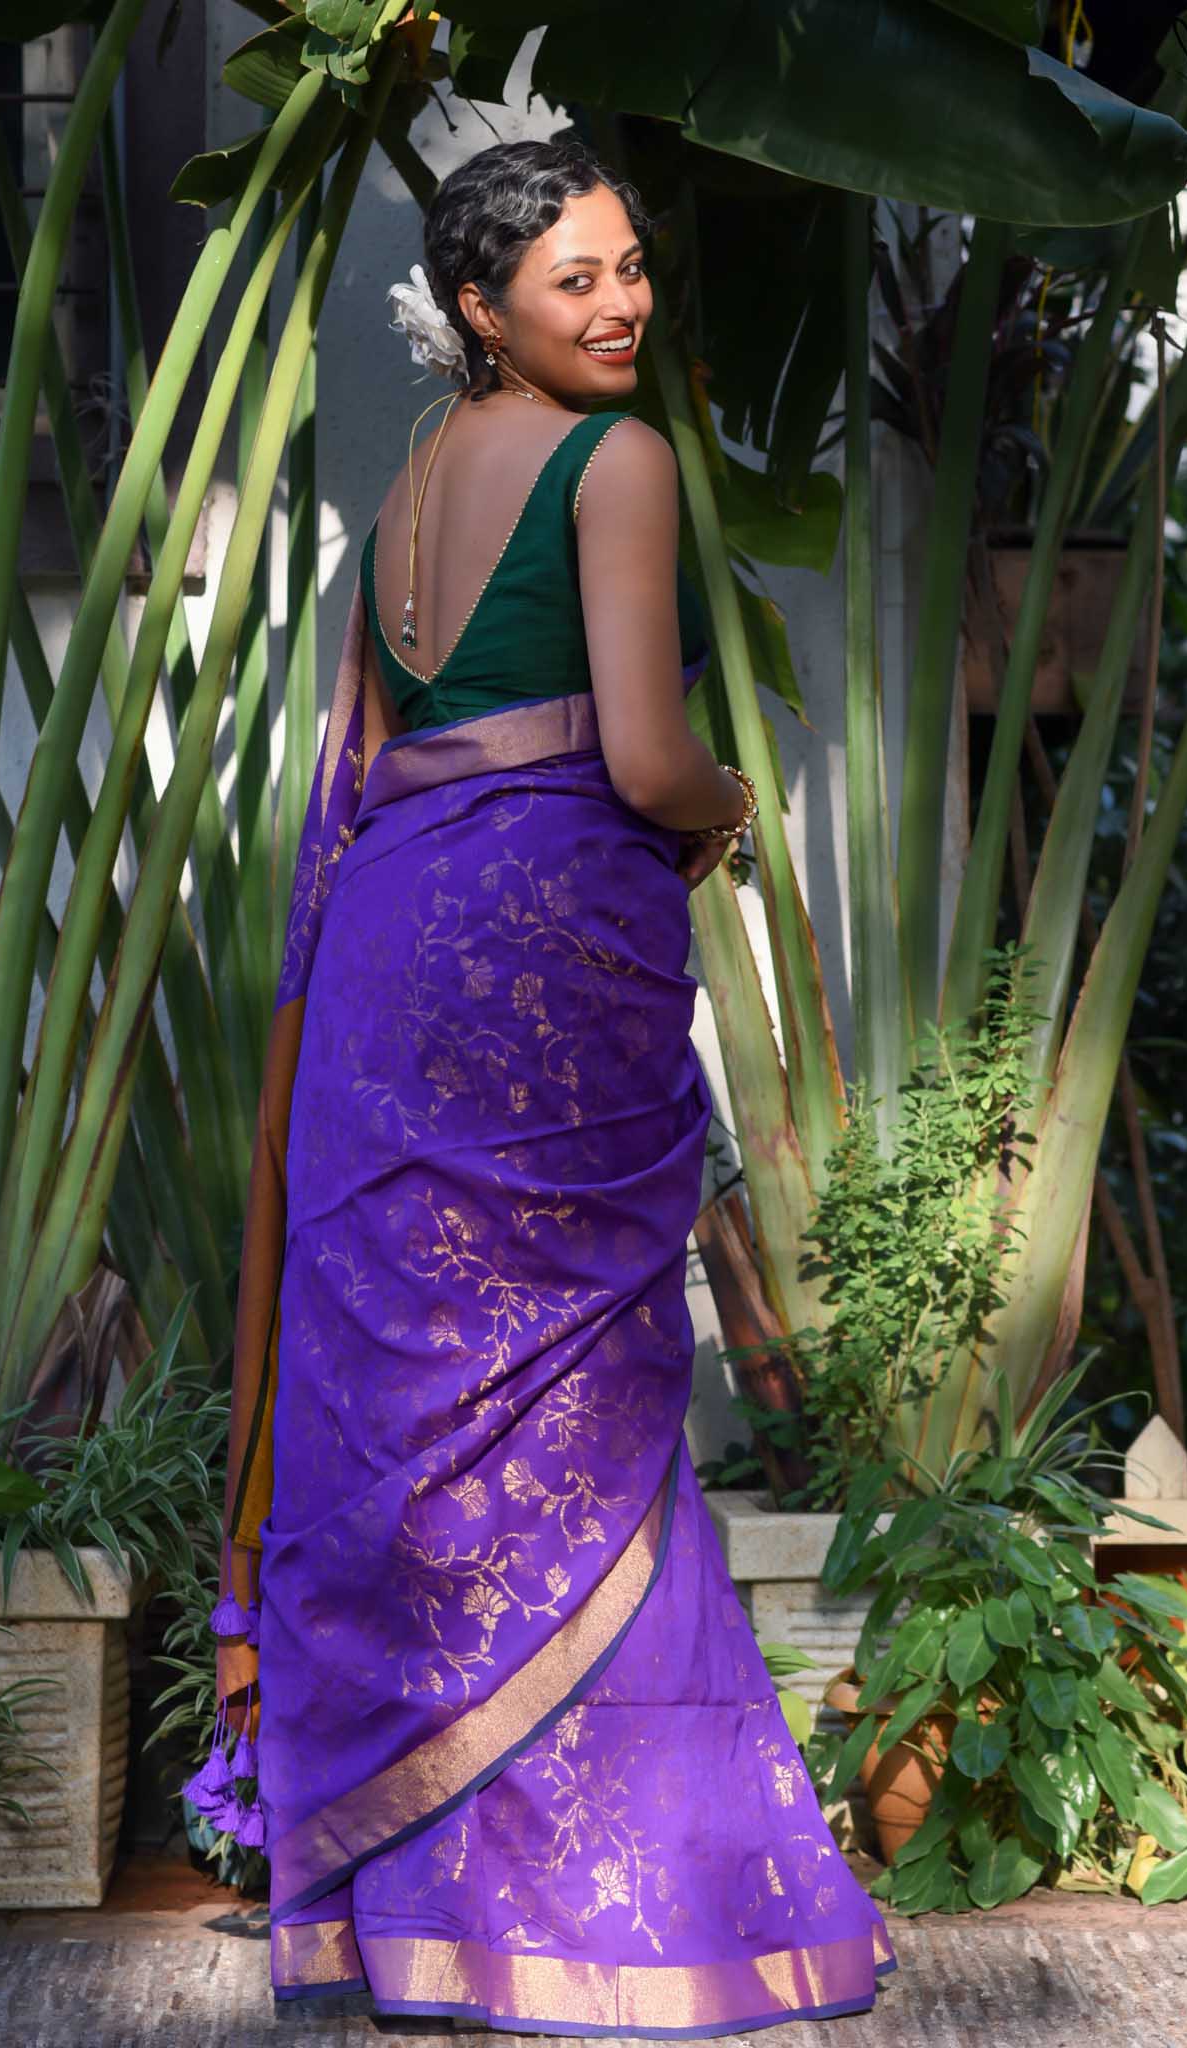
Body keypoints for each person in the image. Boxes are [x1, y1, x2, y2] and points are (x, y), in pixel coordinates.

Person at [188, 135, 898, 2037]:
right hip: (543, 950)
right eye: (575, 278)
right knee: (575, 1406)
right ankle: (613, 1912)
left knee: (420, 1402)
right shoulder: (618, 463)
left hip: (392, 945)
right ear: (481, 307)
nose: (623, 302)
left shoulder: (405, 492)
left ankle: (413, 1916)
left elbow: (371, 755)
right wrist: (728, 813)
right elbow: (650, 759)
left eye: (630, 265)